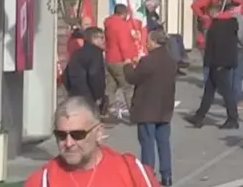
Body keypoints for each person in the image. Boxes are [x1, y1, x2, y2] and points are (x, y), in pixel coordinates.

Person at [24, 96, 159, 186]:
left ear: (99, 132)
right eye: (61, 135)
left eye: (78, 135)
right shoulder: (43, 180)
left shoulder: (131, 171)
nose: (69, 143)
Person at [124, 30, 179, 186]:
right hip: (164, 107)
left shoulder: (148, 61)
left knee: (147, 143)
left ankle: (148, 175)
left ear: (154, 42)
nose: (146, 43)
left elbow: (133, 78)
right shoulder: (171, 60)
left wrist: (128, 66)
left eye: (148, 41)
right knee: (164, 143)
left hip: (147, 108)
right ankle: (167, 176)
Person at [187, 0, 242, 129]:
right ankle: (199, 116)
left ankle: (233, 118)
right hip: (224, 61)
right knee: (209, 90)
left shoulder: (216, 26)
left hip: (217, 62)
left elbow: (213, 46)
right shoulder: (231, 23)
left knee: (225, 92)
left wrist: (209, 62)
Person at [103, 4, 143, 120]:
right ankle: (134, 114)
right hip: (120, 59)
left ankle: (104, 110)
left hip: (109, 58)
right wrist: (129, 58)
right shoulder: (121, 25)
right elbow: (123, 43)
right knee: (128, 87)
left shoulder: (108, 23)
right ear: (124, 13)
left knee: (110, 87)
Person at [64, 27, 107, 109]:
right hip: (89, 96)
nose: (104, 41)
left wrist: (70, 90)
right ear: (93, 39)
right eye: (101, 38)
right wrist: (98, 96)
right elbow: (95, 75)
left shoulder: (77, 53)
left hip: (74, 94)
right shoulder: (95, 53)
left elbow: (66, 74)